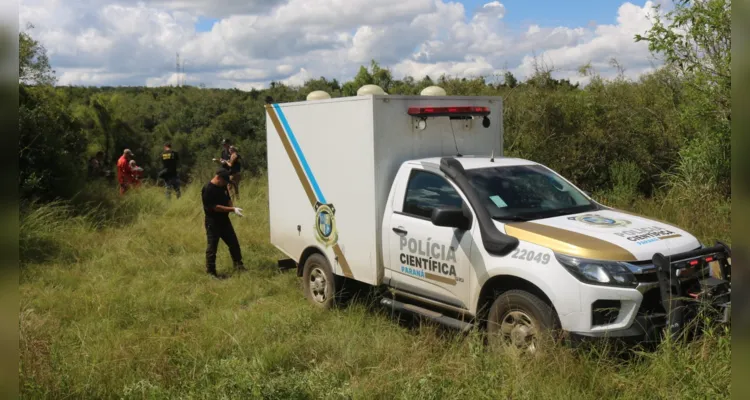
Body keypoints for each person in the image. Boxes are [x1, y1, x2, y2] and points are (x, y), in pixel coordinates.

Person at [202, 168, 247, 278]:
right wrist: (232, 210)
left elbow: (227, 199)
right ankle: (211, 272)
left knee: (234, 243)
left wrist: (233, 207)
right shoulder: (208, 189)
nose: (226, 183)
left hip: (224, 221)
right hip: (213, 222)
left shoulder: (222, 186)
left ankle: (239, 266)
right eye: (225, 181)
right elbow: (215, 207)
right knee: (212, 247)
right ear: (218, 178)